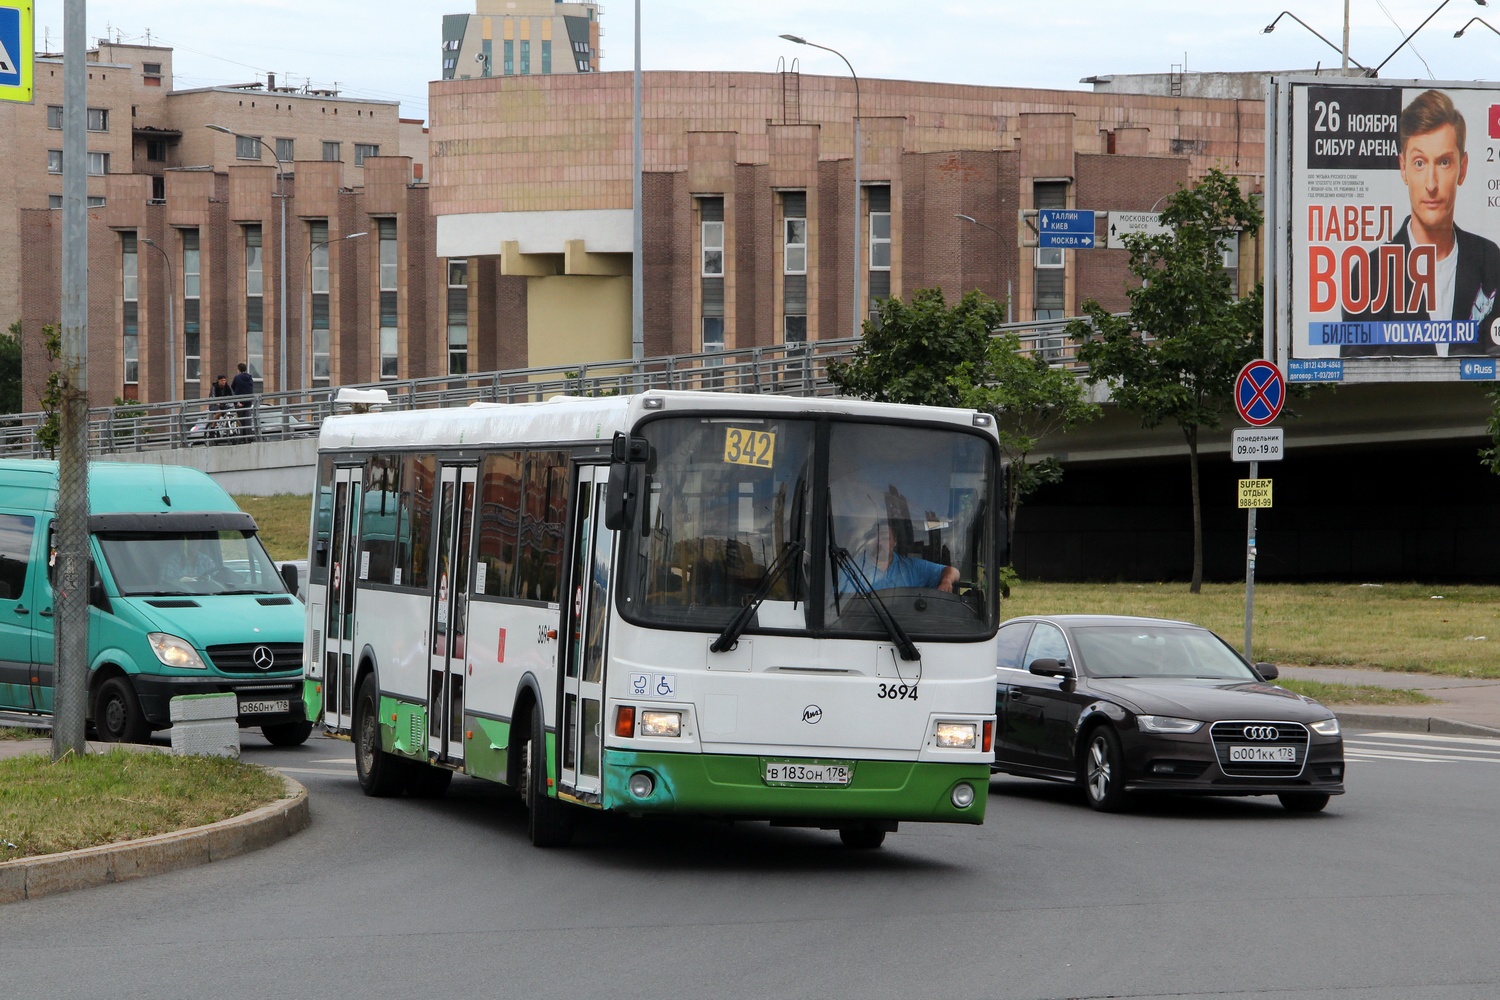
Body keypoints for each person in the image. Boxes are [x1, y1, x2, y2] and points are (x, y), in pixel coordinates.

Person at [1342, 89, 1500, 357]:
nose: (1431, 184)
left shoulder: (1490, 260)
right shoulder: (1369, 272)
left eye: (1444, 162)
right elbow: (1356, 375)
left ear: (1463, 168)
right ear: (1403, 168)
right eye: (1419, 163)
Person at [843, 515, 958, 593]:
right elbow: (844, 607)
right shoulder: (852, 568)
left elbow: (953, 571)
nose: (880, 542)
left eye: (885, 538)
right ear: (868, 542)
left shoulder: (912, 567)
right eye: (875, 538)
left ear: (894, 542)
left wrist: (946, 581)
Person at [230, 362, 255, 435]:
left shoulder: (237, 377)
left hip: (239, 401)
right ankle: (248, 435)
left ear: (239, 369)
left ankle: (242, 436)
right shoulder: (250, 378)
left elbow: (232, 388)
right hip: (248, 401)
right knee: (247, 419)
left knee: (241, 419)